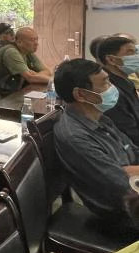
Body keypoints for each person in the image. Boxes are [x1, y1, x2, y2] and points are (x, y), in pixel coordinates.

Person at [53, 59, 139, 227]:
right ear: (80, 94)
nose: (112, 88)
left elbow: (134, 152)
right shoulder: (75, 137)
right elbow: (123, 184)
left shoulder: (101, 119)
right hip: (123, 215)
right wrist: (126, 172)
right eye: (105, 83)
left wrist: (130, 170)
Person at [0, 27, 51, 94]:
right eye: (32, 40)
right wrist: (54, 81)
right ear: (19, 42)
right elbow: (31, 78)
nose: (36, 43)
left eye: (36, 39)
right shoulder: (11, 52)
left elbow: (47, 71)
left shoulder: (27, 51)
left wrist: (36, 75)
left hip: (10, 92)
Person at [98, 36, 139, 144]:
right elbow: (129, 132)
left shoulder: (126, 81)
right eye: (130, 52)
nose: (136, 57)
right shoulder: (109, 90)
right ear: (111, 59)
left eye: (136, 52)